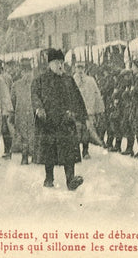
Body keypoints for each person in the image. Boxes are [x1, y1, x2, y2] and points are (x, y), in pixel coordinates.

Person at [31, 50, 85, 190]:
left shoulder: (68, 80)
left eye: (62, 63)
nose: (60, 66)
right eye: (57, 63)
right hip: (48, 122)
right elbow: (35, 96)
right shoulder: (41, 80)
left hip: (66, 122)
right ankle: (49, 178)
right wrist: (39, 109)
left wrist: (74, 113)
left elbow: (77, 99)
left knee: (69, 152)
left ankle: (70, 180)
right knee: (49, 152)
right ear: (50, 64)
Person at [72, 62, 102, 160]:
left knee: (86, 131)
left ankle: (85, 151)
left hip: (87, 109)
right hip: (75, 110)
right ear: (75, 68)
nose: (80, 70)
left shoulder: (90, 80)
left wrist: (99, 108)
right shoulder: (71, 80)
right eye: (78, 68)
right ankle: (76, 152)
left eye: (82, 68)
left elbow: (97, 94)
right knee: (75, 131)